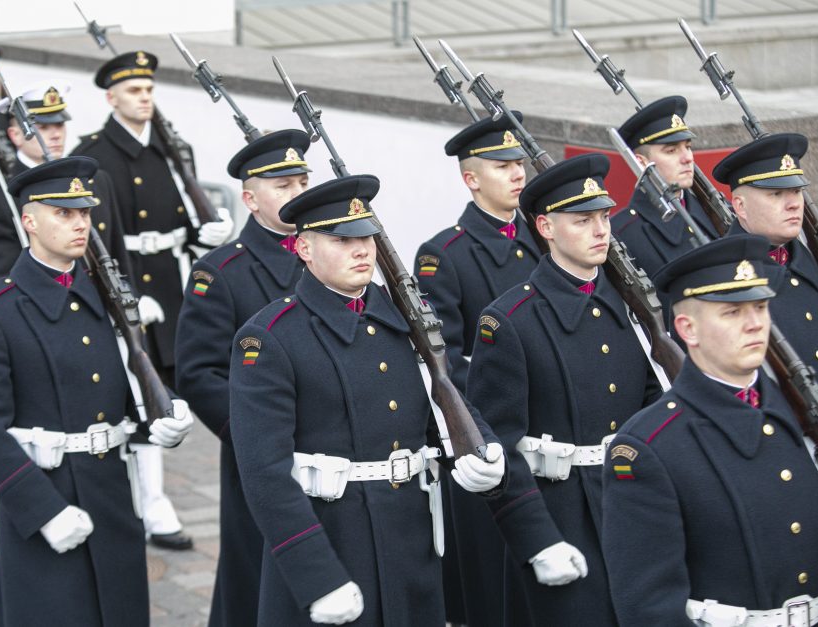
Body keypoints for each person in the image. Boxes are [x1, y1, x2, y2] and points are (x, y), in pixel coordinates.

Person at [229, 174, 505, 625]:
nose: (361, 250)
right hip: (334, 539)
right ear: (304, 248)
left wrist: (483, 447)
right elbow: (264, 474)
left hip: (411, 537)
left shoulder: (406, 319)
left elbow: (442, 397)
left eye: (367, 237)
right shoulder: (270, 337)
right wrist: (315, 575)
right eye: (341, 240)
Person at [0, 156, 194, 626]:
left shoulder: (106, 297)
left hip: (111, 496)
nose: (80, 223)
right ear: (29, 221)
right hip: (47, 497)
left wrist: (160, 416)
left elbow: (121, 383)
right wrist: (42, 511)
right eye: (63, 214)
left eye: (84, 213)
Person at [467, 153, 662, 625]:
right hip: (560, 516)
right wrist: (536, 538)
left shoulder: (630, 307)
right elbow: (497, 444)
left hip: (631, 508)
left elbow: (656, 409)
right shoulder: (510, 321)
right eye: (582, 221)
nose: (600, 231)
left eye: (603, 218)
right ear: (547, 228)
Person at [602, 234, 818, 626]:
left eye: (760, 307)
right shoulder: (648, 448)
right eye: (733, 312)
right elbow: (649, 609)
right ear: (687, 329)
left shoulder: (795, 414)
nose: (755, 324)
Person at [74, 51, 229, 550]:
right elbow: (97, 240)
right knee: (138, 392)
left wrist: (204, 235)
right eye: (134, 91)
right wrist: (128, 295)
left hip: (168, 280)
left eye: (149, 89)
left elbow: (183, 217)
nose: (144, 98)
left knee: (167, 387)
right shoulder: (95, 153)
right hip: (125, 283)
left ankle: (150, 495)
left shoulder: (171, 147)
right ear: (111, 97)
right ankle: (151, 502)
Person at [175, 128, 311, 626]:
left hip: (337, 452)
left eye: (302, 181)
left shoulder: (332, 256)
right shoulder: (222, 272)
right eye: (283, 185)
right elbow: (198, 374)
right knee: (257, 575)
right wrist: (256, 437)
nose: (297, 194)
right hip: (262, 455)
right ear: (250, 199)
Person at [413, 112, 540, 626]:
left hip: (553, 436)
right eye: (502, 165)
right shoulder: (444, 255)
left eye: (520, 162)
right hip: (492, 437)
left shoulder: (544, 239)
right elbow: (447, 362)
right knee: (494, 593)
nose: (518, 173)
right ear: (471, 178)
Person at [0, 80, 130, 284]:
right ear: (15, 135)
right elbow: (1, 281)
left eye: (59, 124)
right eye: (43, 127)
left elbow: (117, 253)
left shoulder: (97, 181)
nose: (55, 135)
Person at [713, 132, 818, 388]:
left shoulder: (814, 260)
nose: (793, 204)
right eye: (776, 194)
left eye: (797, 191)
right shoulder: (718, 276)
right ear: (740, 207)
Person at [612, 96, 720, 286]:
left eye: (688, 147)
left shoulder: (714, 211)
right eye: (671, 151)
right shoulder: (622, 233)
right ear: (641, 162)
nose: (687, 158)